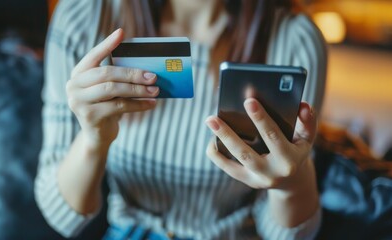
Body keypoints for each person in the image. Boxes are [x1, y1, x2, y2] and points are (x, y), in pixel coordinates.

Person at [35, 0, 327, 239]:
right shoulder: (84, 15)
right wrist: (93, 138)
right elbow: (63, 215)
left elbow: (291, 234)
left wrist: (290, 182)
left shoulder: (296, 40)